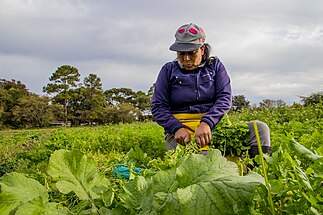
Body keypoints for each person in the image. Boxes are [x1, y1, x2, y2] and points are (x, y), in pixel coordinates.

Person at [151, 23, 272, 158]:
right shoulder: (168, 70)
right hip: (181, 132)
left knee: (260, 128)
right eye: (181, 53)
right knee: (201, 163)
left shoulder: (215, 67)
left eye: (191, 53)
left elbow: (224, 98)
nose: (186, 58)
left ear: (202, 50)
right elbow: (158, 106)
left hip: (214, 126)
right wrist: (176, 128)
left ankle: (258, 173)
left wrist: (207, 122)